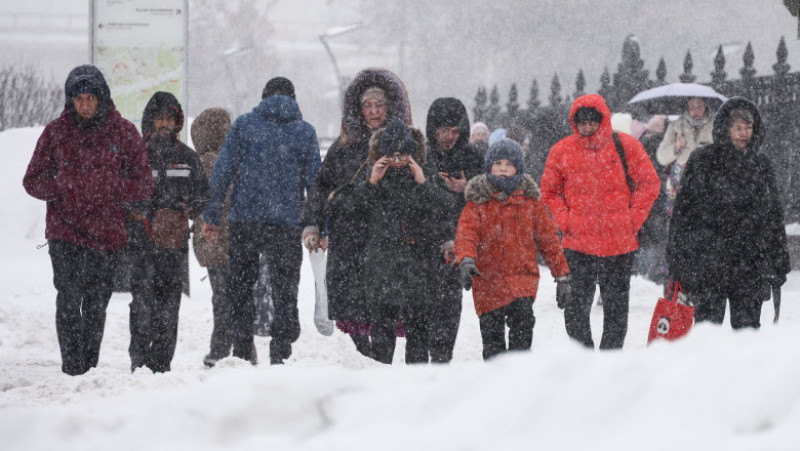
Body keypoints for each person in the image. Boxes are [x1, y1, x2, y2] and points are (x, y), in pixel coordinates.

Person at [23, 65, 154, 375]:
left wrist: (111, 187)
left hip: (106, 233)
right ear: (70, 100)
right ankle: (72, 366)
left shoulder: (123, 132)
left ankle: (89, 364)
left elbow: (144, 181)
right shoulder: (55, 132)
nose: (84, 105)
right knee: (68, 299)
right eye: (78, 98)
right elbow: (32, 180)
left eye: (90, 98)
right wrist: (63, 186)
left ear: (102, 98)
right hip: (64, 231)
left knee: (96, 303)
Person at [203, 77, 320, 365]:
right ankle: (280, 351)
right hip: (286, 223)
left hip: (245, 220)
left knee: (240, 288)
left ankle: (242, 350)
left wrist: (212, 216)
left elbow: (222, 172)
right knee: (285, 289)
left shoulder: (244, 125)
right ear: (293, 98)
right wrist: (318, 224)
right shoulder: (304, 132)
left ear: (263, 97)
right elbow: (315, 183)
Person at [300, 68, 412, 358]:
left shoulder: (405, 143)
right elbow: (321, 185)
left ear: (391, 107)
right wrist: (312, 224)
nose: (374, 111)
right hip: (349, 238)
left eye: (379, 105)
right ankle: (368, 360)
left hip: (388, 240)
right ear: (359, 109)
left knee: (386, 308)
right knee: (351, 309)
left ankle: (381, 365)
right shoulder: (345, 145)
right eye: (367, 106)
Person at [540, 94, 659, 350]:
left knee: (616, 314)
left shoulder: (625, 145)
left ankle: (609, 365)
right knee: (575, 314)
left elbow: (649, 183)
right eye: (581, 122)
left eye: (591, 121)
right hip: (578, 245)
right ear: (574, 123)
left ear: (602, 119)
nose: (586, 127)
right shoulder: (561, 151)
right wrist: (566, 220)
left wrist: (631, 220)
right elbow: (549, 191)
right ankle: (584, 362)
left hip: (619, 245)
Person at [666, 97, 790, 329]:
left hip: (750, 265)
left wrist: (778, 262)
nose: (743, 133)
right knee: (707, 336)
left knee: (746, 336)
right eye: (737, 128)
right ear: (725, 128)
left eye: (748, 127)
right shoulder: (702, 160)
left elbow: (774, 215)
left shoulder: (761, 164)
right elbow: (684, 213)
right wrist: (678, 259)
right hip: (709, 263)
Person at [342, 121, 454, 364]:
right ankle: (381, 391)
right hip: (382, 269)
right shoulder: (373, 176)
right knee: (381, 338)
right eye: (392, 154)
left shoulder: (424, 174)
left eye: (403, 154)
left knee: (418, 337)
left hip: (419, 268)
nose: (398, 160)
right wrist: (371, 183)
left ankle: (416, 390)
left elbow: (445, 209)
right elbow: (350, 212)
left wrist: (423, 183)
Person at [455, 139, 570, 360]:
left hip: (522, 281)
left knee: (523, 335)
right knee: (492, 343)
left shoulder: (531, 204)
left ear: (518, 168)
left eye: (509, 164)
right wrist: (466, 259)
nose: (504, 169)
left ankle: (519, 383)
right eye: (498, 163)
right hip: (488, 281)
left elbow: (548, 241)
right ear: (489, 166)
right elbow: (466, 234)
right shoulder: (478, 204)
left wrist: (562, 275)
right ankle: (496, 386)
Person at [127, 91, 210, 373]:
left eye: (170, 119)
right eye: (159, 118)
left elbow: (203, 196)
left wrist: (186, 210)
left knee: (168, 308)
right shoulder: (134, 156)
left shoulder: (187, 157)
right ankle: (139, 363)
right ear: (150, 121)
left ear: (178, 122)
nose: (164, 124)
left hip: (174, 247)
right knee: (141, 306)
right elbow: (121, 194)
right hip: (141, 244)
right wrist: (140, 213)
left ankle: (162, 365)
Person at [424, 97, 483, 363]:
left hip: (459, 240)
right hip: (425, 238)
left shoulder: (473, 157)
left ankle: (442, 356)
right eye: (443, 131)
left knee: (449, 301)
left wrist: (466, 187)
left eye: (455, 131)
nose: (448, 137)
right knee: (424, 303)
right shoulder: (423, 156)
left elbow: (490, 194)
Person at [189, 108, 233, 367]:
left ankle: (221, 350)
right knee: (227, 297)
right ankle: (223, 350)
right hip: (223, 240)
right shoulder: (218, 161)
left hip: (212, 241)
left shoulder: (203, 160)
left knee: (223, 297)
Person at [656, 97, 714, 215]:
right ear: (687, 106)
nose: (695, 111)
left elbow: (725, 152)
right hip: (681, 181)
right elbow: (661, 157)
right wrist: (676, 148)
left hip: (708, 179)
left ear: (705, 106)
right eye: (691, 107)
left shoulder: (716, 125)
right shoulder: (676, 126)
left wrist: (709, 152)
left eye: (699, 107)